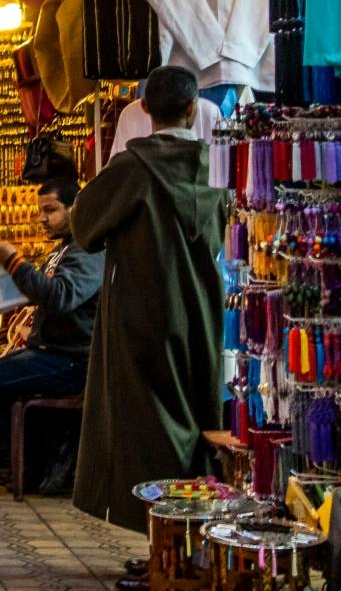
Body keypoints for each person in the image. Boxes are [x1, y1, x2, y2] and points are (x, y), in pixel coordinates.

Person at [67, 63, 231, 531]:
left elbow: (84, 226)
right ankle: (194, 535)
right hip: (201, 304)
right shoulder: (214, 164)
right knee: (198, 413)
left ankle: (163, 541)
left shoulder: (133, 167)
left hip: (143, 309)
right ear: (192, 108)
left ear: (142, 108)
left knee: (148, 427)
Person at [0, 164, 104, 483]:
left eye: (51, 210)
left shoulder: (87, 250)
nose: (42, 218)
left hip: (73, 360)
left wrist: (14, 263)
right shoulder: (66, 248)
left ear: (76, 208)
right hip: (51, 350)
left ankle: (41, 458)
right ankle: (32, 454)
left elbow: (60, 297)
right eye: (40, 210)